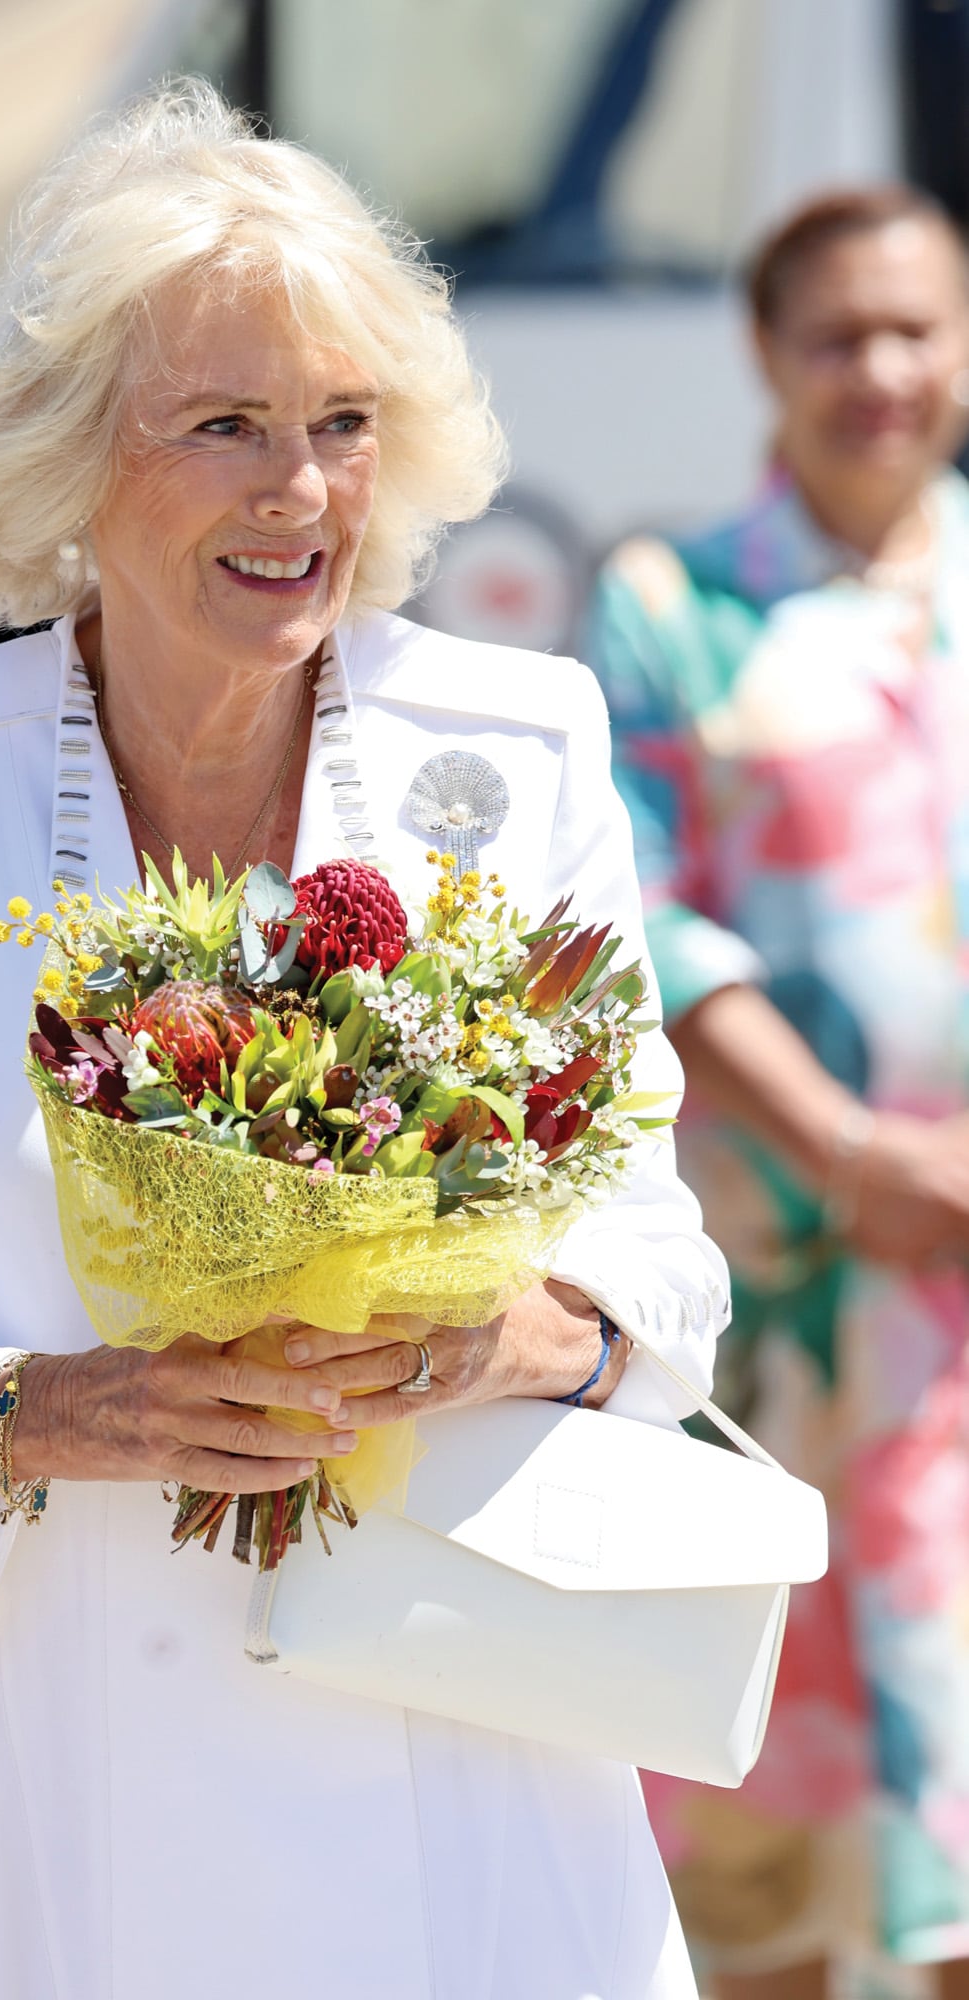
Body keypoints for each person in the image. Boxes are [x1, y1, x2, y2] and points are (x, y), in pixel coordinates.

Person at [0, 83, 728, 1999]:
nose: (300, 491)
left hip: (464, 1786)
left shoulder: (519, 744)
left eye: (342, 426)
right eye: (226, 425)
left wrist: (517, 1334)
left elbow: (658, 1263)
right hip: (45, 1812)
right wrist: (61, 1417)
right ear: (77, 457)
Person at [586, 186, 969, 1998]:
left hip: (959, 1324)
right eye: (837, 334)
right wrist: (848, 1146)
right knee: (749, 1845)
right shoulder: (669, 612)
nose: (879, 371)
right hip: (774, 1315)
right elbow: (630, 913)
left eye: (915, 329)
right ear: (763, 355)